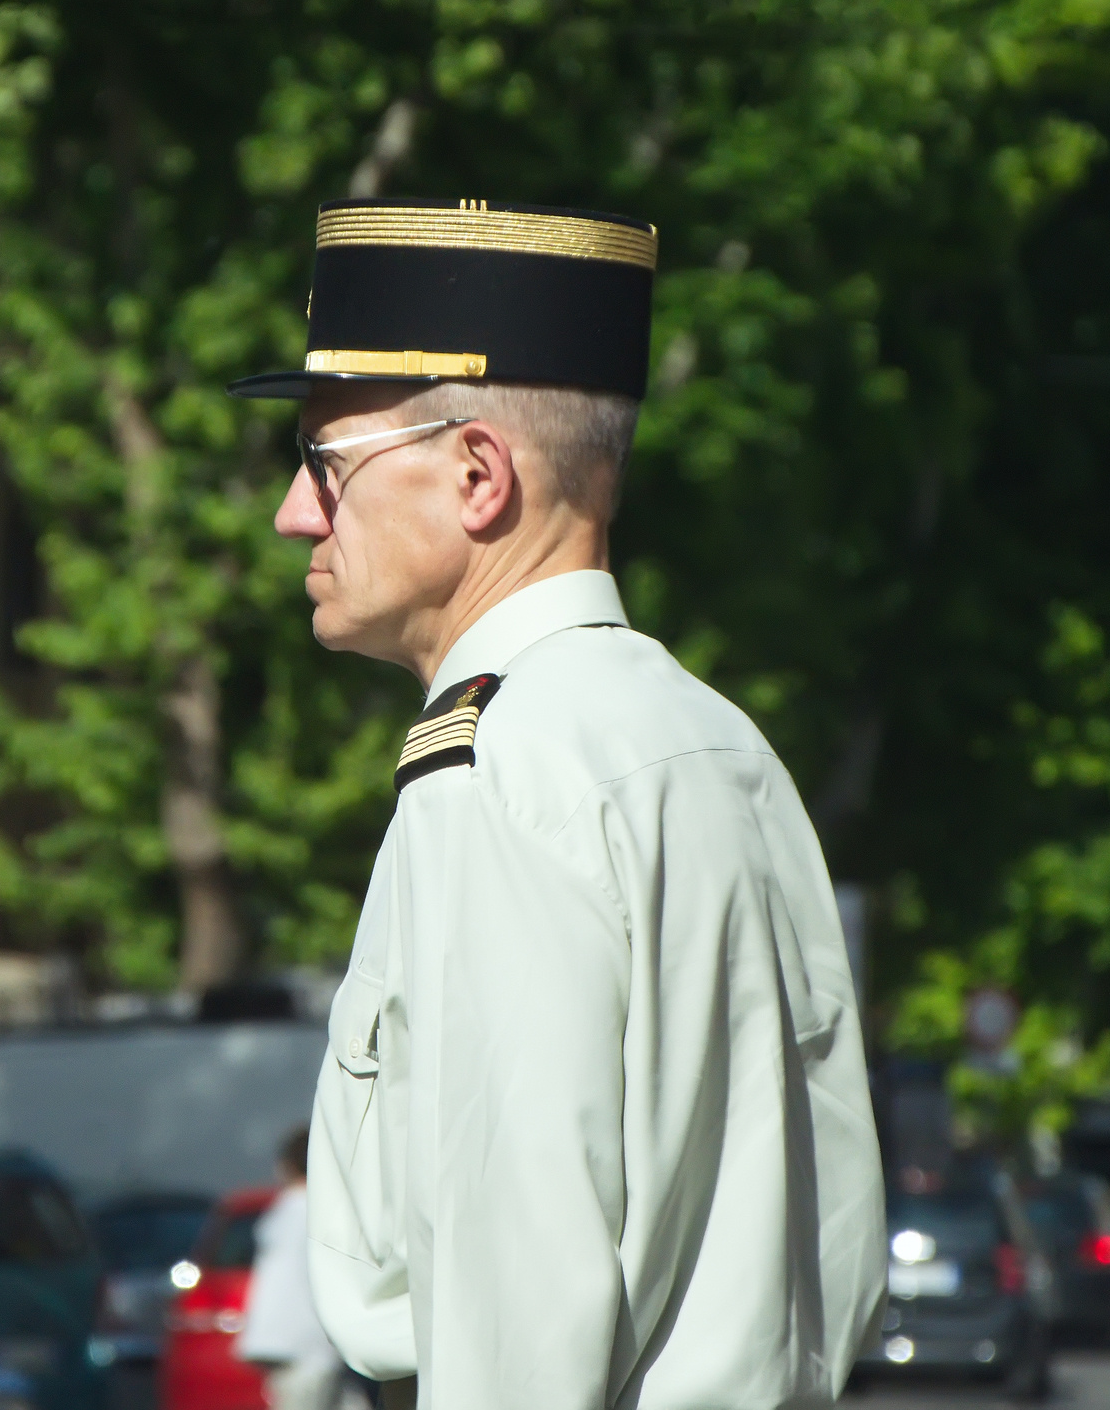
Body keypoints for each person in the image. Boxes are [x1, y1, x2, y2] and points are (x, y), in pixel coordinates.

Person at [229, 198, 885, 1408]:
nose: (292, 513)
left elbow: (519, 1275)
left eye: (325, 463)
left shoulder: (493, 762)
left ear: (478, 473)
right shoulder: (712, 740)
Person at [235, 1126, 340, 1410]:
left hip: (286, 1344)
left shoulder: (282, 1211)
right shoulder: (318, 1208)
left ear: (284, 1167)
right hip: (312, 1346)